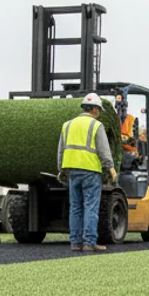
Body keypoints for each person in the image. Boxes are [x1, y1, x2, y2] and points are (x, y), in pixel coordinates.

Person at [57, 93, 117, 252]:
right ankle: (90, 242)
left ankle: (75, 243)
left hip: (72, 171)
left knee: (75, 207)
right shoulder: (96, 126)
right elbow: (104, 150)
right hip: (90, 171)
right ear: (95, 109)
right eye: (99, 109)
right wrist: (110, 168)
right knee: (90, 207)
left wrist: (61, 170)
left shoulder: (67, 125)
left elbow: (61, 150)